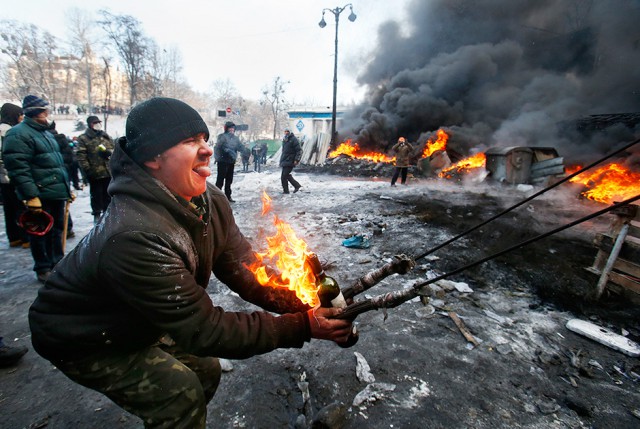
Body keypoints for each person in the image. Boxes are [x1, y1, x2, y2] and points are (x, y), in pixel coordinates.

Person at [27, 97, 353, 428]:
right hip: (85, 334)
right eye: (189, 142)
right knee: (178, 395)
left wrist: (307, 303)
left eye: (203, 140)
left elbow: (246, 270)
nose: (207, 150)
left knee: (205, 370)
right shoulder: (133, 234)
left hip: (140, 314)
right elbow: (204, 328)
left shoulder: (209, 199)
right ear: (153, 158)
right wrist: (303, 326)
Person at [3, 95, 72, 283]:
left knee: (57, 229)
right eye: (43, 111)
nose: (47, 114)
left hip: (55, 191)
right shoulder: (18, 134)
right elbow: (18, 167)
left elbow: (57, 164)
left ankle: (57, 262)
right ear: (34, 112)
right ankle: (43, 267)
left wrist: (67, 189)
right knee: (40, 231)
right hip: (40, 193)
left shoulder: (46, 134)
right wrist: (31, 195)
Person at [0, 102, 29, 248]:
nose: (21, 118)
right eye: (20, 115)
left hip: (3, 178)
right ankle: (24, 237)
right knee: (20, 207)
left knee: (9, 209)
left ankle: (14, 237)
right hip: (10, 176)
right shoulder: (10, 132)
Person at [76, 115, 114, 223]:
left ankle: (108, 215)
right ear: (90, 124)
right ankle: (97, 215)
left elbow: (113, 149)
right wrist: (87, 169)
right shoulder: (84, 138)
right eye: (95, 123)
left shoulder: (105, 136)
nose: (97, 124)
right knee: (96, 196)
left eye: (98, 122)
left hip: (108, 172)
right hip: (95, 173)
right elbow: (81, 155)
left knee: (108, 195)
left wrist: (108, 153)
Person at [214, 121, 243, 202]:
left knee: (229, 180)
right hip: (222, 161)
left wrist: (245, 150)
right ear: (226, 129)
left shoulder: (235, 139)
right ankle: (216, 197)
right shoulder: (221, 136)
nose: (232, 130)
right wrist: (226, 150)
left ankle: (228, 196)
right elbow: (219, 146)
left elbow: (240, 146)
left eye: (233, 129)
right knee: (220, 180)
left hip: (231, 162)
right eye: (230, 128)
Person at [280, 128, 302, 194]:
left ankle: (287, 190)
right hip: (285, 160)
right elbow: (284, 151)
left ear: (290, 132)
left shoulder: (293, 139)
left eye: (287, 131)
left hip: (290, 160)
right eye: (285, 131)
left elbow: (299, 150)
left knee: (284, 176)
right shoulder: (285, 140)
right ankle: (295, 186)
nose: (286, 132)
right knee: (285, 175)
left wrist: (296, 160)